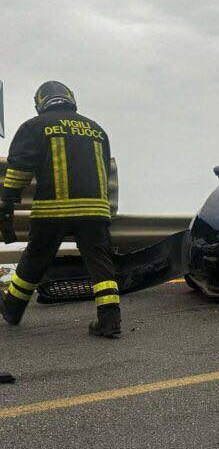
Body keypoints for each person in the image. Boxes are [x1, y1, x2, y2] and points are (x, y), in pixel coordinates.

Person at [0, 81, 120, 338]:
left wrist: (7, 203)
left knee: (36, 258)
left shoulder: (34, 127)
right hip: (95, 210)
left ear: (40, 102)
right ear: (70, 98)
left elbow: (19, 170)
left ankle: (12, 308)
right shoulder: (96, 129)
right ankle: (110, 320)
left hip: (53, 210)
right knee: (100, 265)